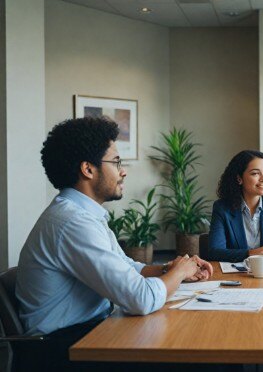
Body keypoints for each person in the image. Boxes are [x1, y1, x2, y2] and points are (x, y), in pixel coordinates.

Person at [15, 117, 214, 371]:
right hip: (63, 351)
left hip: (90, 333)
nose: (123, 170)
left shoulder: (83, 214)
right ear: (88, 169)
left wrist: (169, 269)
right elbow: (140, 299)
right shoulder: (73, 222)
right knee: (203, 358)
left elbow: (128, 266)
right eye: (116, 162)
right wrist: (180, 272)